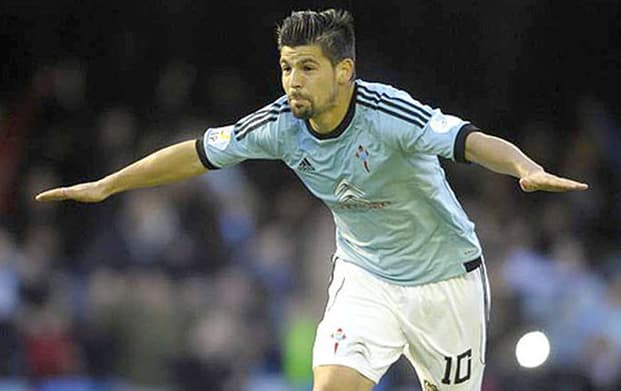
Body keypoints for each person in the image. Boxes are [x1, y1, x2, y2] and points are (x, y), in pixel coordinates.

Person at [36, 9, 588, 391]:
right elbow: (196, 153)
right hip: (366, 277)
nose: (291, 82)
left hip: (446, 282)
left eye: (306, 68)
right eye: (285, 67)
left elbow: (468, 141)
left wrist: (525, 166)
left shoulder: (389, 115)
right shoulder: (279, 125)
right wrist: (109, 184)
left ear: (343, 72)